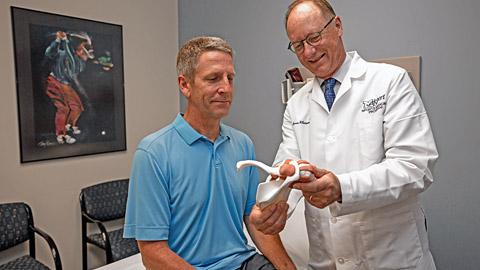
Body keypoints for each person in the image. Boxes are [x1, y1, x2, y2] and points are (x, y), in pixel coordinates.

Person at [249, 1, 439, 269]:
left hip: (390, 258)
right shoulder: (297, 104)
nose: (309, 51)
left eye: (314, 37)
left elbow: (415, 167)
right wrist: (273, 205)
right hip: (327, 260)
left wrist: (342, 188)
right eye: (298, 45)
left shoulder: (390, 81)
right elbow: (287, 169)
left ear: (337, 26)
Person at [123, 36, 295, 270]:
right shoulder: (153, 153)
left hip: (243, 261)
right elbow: (152, 252)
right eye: (213, 78)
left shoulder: (242, 144)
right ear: (185, 85)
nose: (225, 88)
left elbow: (254, 221)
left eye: (230, 78)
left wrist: (288, 268)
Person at [44, 31, 94, 144]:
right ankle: (61, 135)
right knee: (64, 108)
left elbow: (70, 59)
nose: (86, 56)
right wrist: (59, 40)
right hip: (54, 81)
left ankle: (69, 126)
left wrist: (66, 41)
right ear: (79, 51)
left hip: (65, 84)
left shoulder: (80, 64)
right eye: (85, 52)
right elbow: (50, 53)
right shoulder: (62, 54)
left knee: (77, 107)